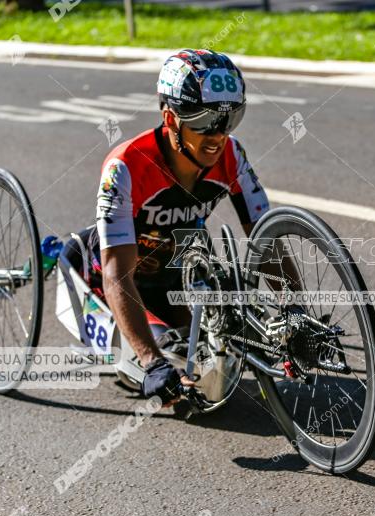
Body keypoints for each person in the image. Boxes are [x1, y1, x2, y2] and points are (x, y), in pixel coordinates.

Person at [71, 49, 270, 406]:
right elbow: (116, 274)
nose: (218, 135)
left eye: (230, 119)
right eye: (204, 121)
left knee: (218, 356)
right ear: (170, 118)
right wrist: (151, 362)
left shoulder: (232, 154)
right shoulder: (126, 166)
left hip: (177, 271)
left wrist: (295, 312)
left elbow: (267, 240)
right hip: (116, 275)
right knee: (172, 360)